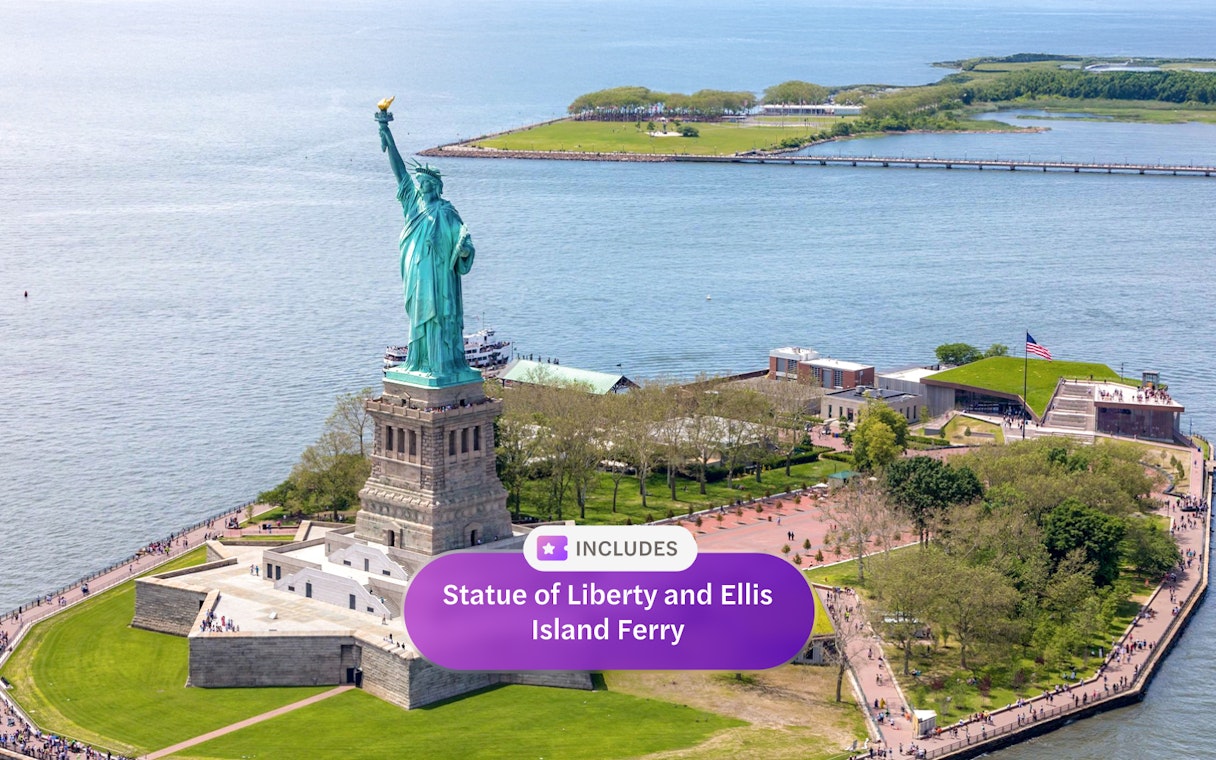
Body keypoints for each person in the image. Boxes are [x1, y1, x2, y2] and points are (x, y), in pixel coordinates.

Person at [377, 104, 477, 383]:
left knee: (440, 317)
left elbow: (462, 238)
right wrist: (386, 132)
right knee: (419, 315)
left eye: (423, 183)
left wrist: (465, 248)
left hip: (439, 278)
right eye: (418, 182)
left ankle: (439, 364)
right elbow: (398, 171)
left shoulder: (446, 211)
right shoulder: (412, 203)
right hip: (417, 274)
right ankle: (418, 361)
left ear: (434, 186)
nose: (419, 185)